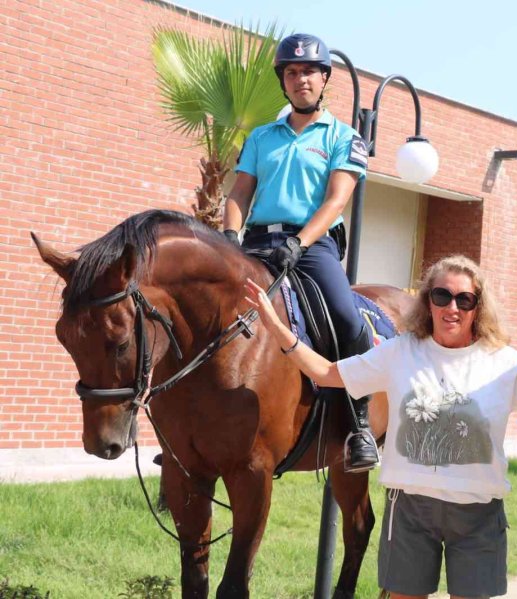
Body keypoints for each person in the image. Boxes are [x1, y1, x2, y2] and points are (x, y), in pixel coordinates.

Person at [244, 254, 517, 599]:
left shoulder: (504, 361)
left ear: (478, 308)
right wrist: (277, 328)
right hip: (410, 510)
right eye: (442, 296)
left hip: (477, 513)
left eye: (465, 299)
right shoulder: (400, 351)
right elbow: (327, 374)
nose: (453, 307)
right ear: (427, 302)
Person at [222, 33, 378, 472]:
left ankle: (359, 425)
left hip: (312, 245)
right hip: (255, 241)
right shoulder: (261, 137)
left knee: (347, 318)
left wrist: (300, 241)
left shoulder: (344, 137)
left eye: (309, 71)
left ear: (324, 78)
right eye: (291, 72)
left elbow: (335, 201)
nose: (300, 78)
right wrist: (231, 237)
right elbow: (239, 193)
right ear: (283, 82)